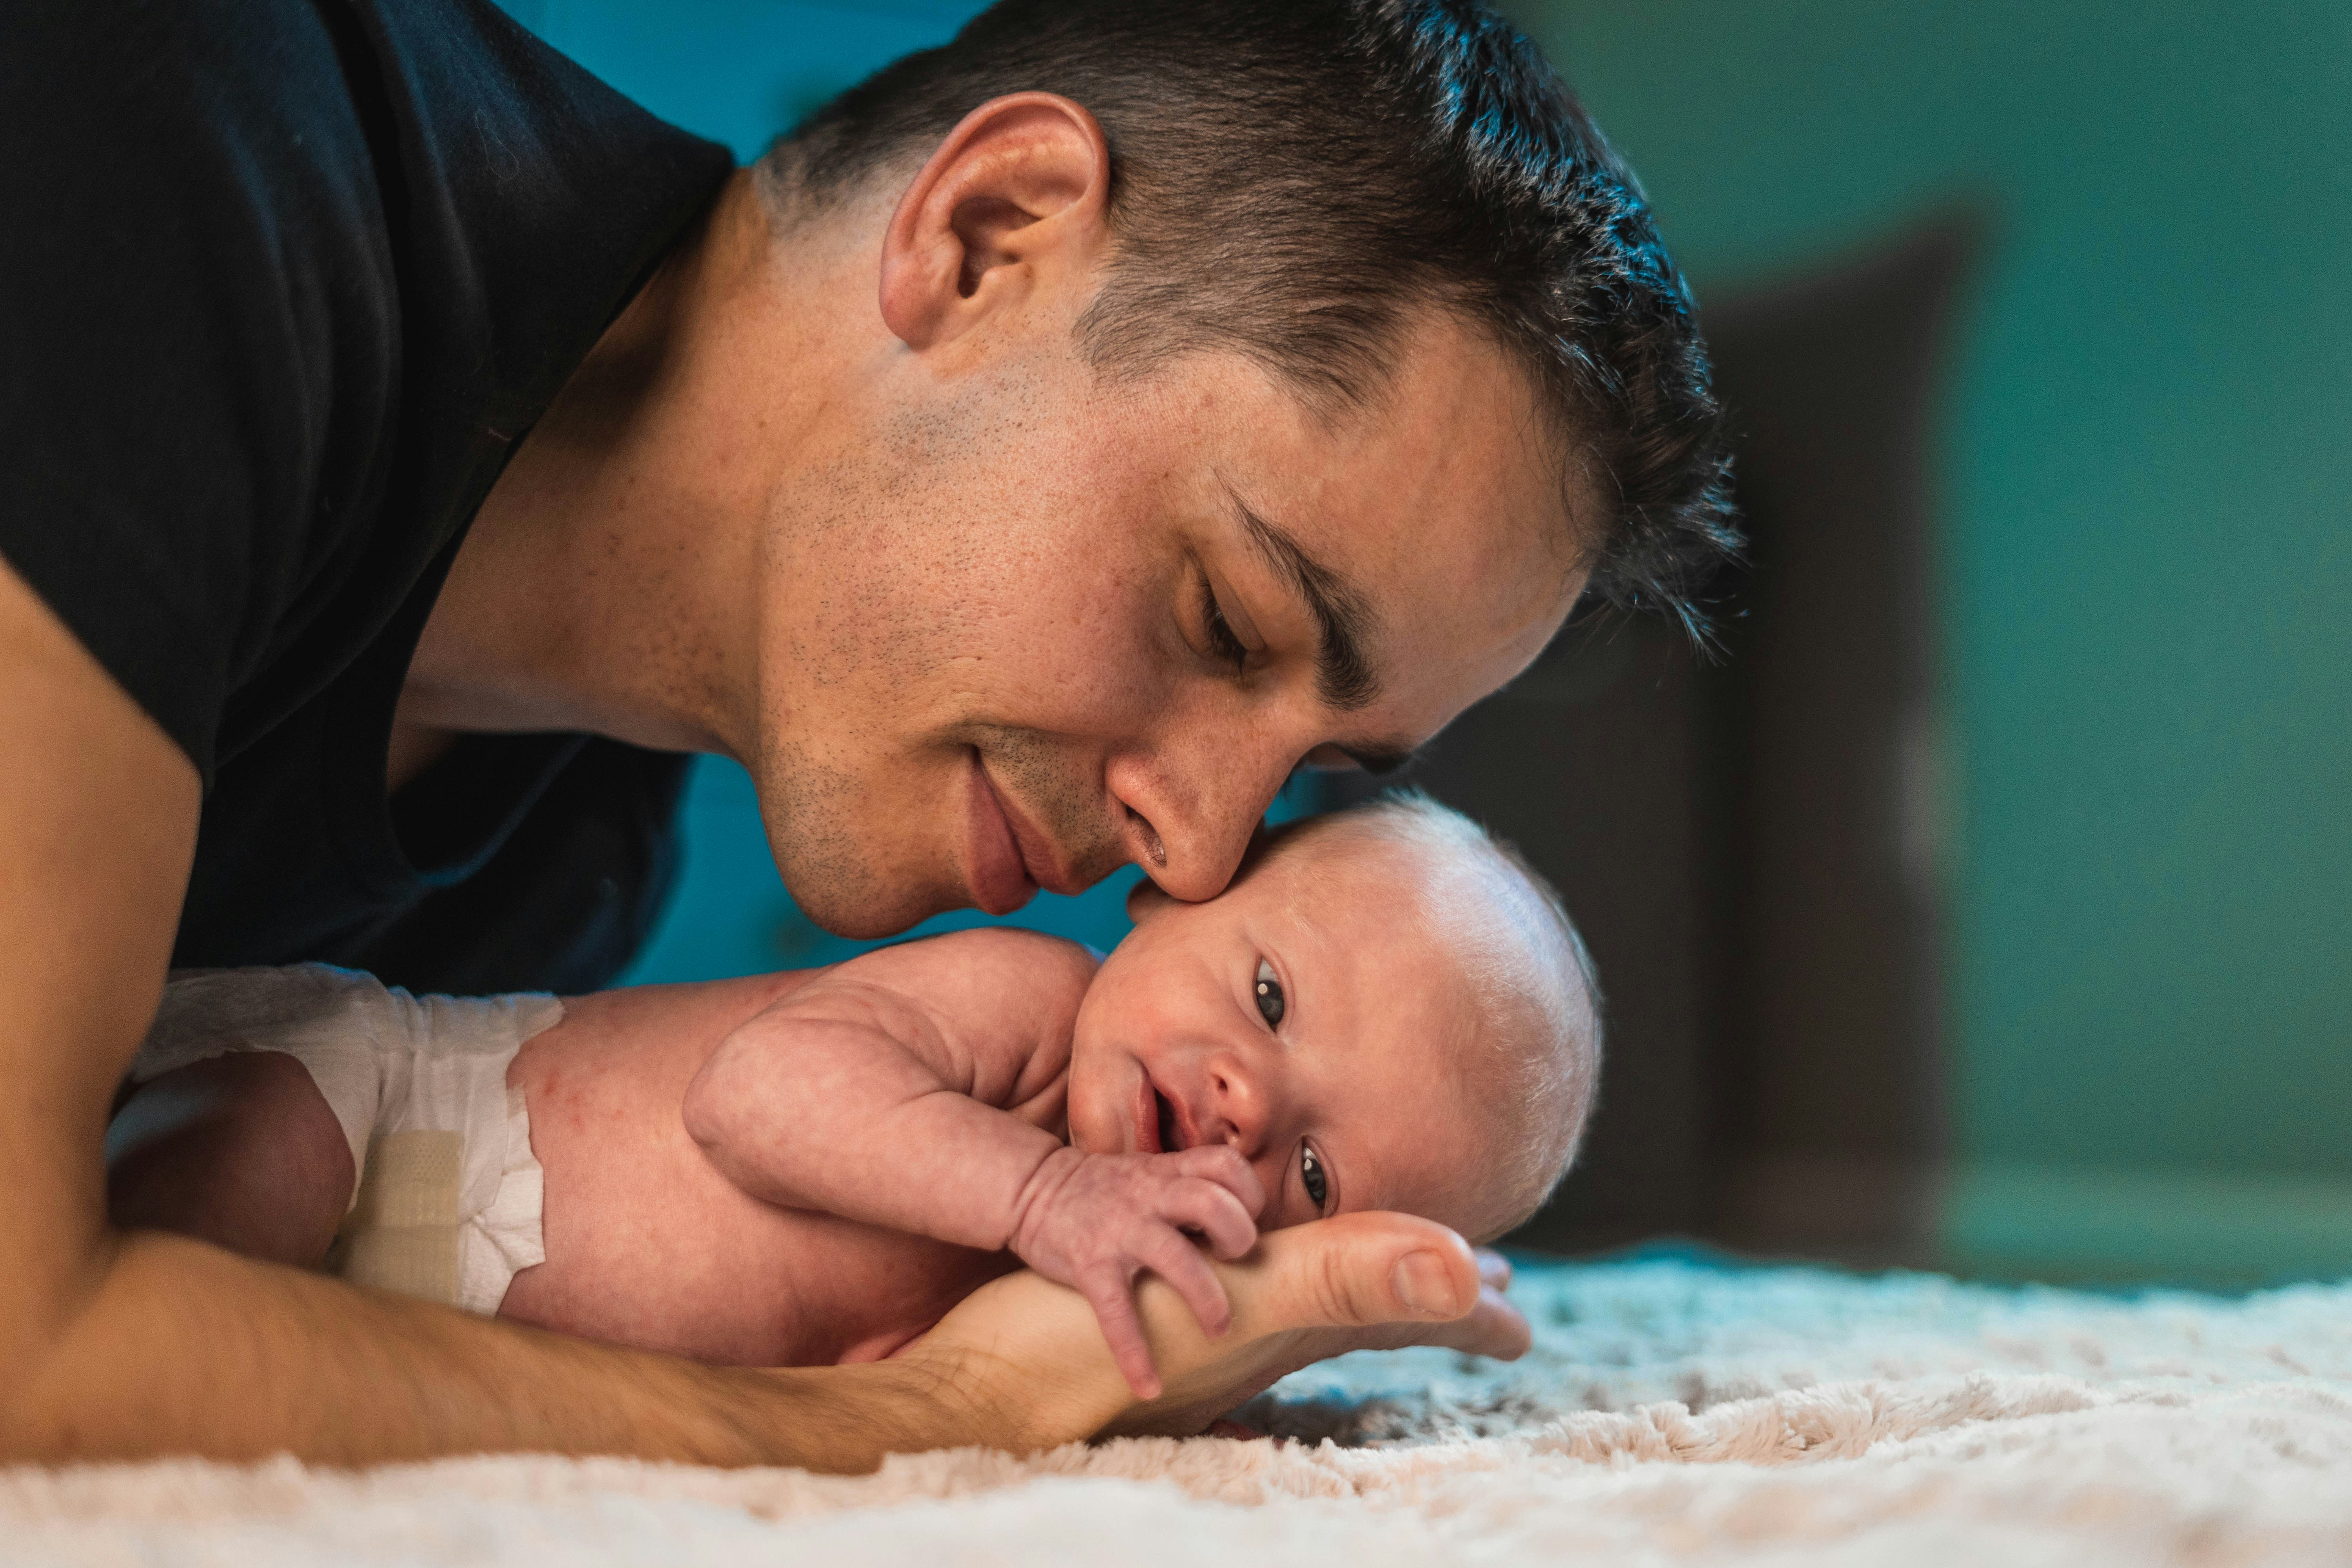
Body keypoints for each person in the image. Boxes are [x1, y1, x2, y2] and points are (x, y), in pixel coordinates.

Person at [0, 0, 1736, 1466]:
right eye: (1223, 614)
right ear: (987, 237)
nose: (1199, 854)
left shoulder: (555, 871)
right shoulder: (158, 154)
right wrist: (922, 1416)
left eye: (1315, 780)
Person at [110, 796, 1600, 1404]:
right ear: (1169, 894)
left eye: (1324, 1177)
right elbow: (753, 1099)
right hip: (374, 1114)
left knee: (245, 1383)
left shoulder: (1119, 1255)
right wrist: (1038, 1192)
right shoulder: (1025, 1004)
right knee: (155, 1284)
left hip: (430, 1346)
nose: (1247, 1111)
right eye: (1269, 999)